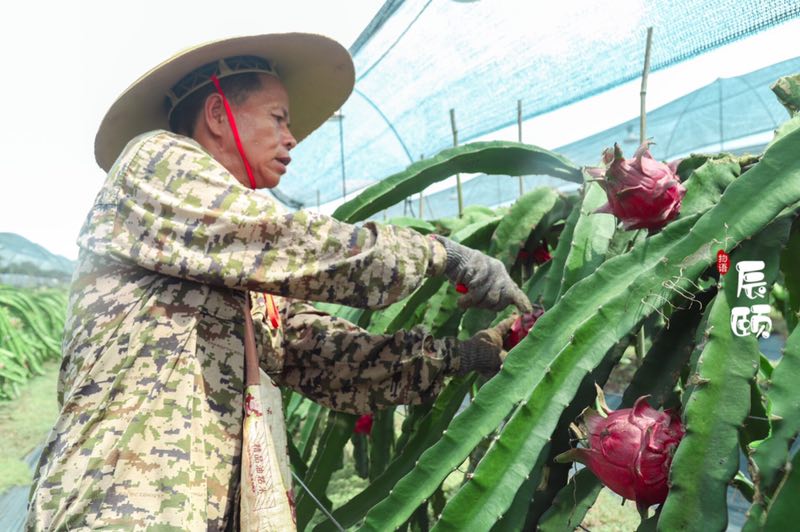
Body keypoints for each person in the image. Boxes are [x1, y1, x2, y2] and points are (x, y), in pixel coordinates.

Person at [26, 33, 531, 530]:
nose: (292, 138)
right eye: (278, 118)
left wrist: (465, 356)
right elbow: (298, 242)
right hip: (123, 508)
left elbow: (323, 355)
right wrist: (445, 255)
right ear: (219, 115)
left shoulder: (243, 269)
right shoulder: (155, 162)